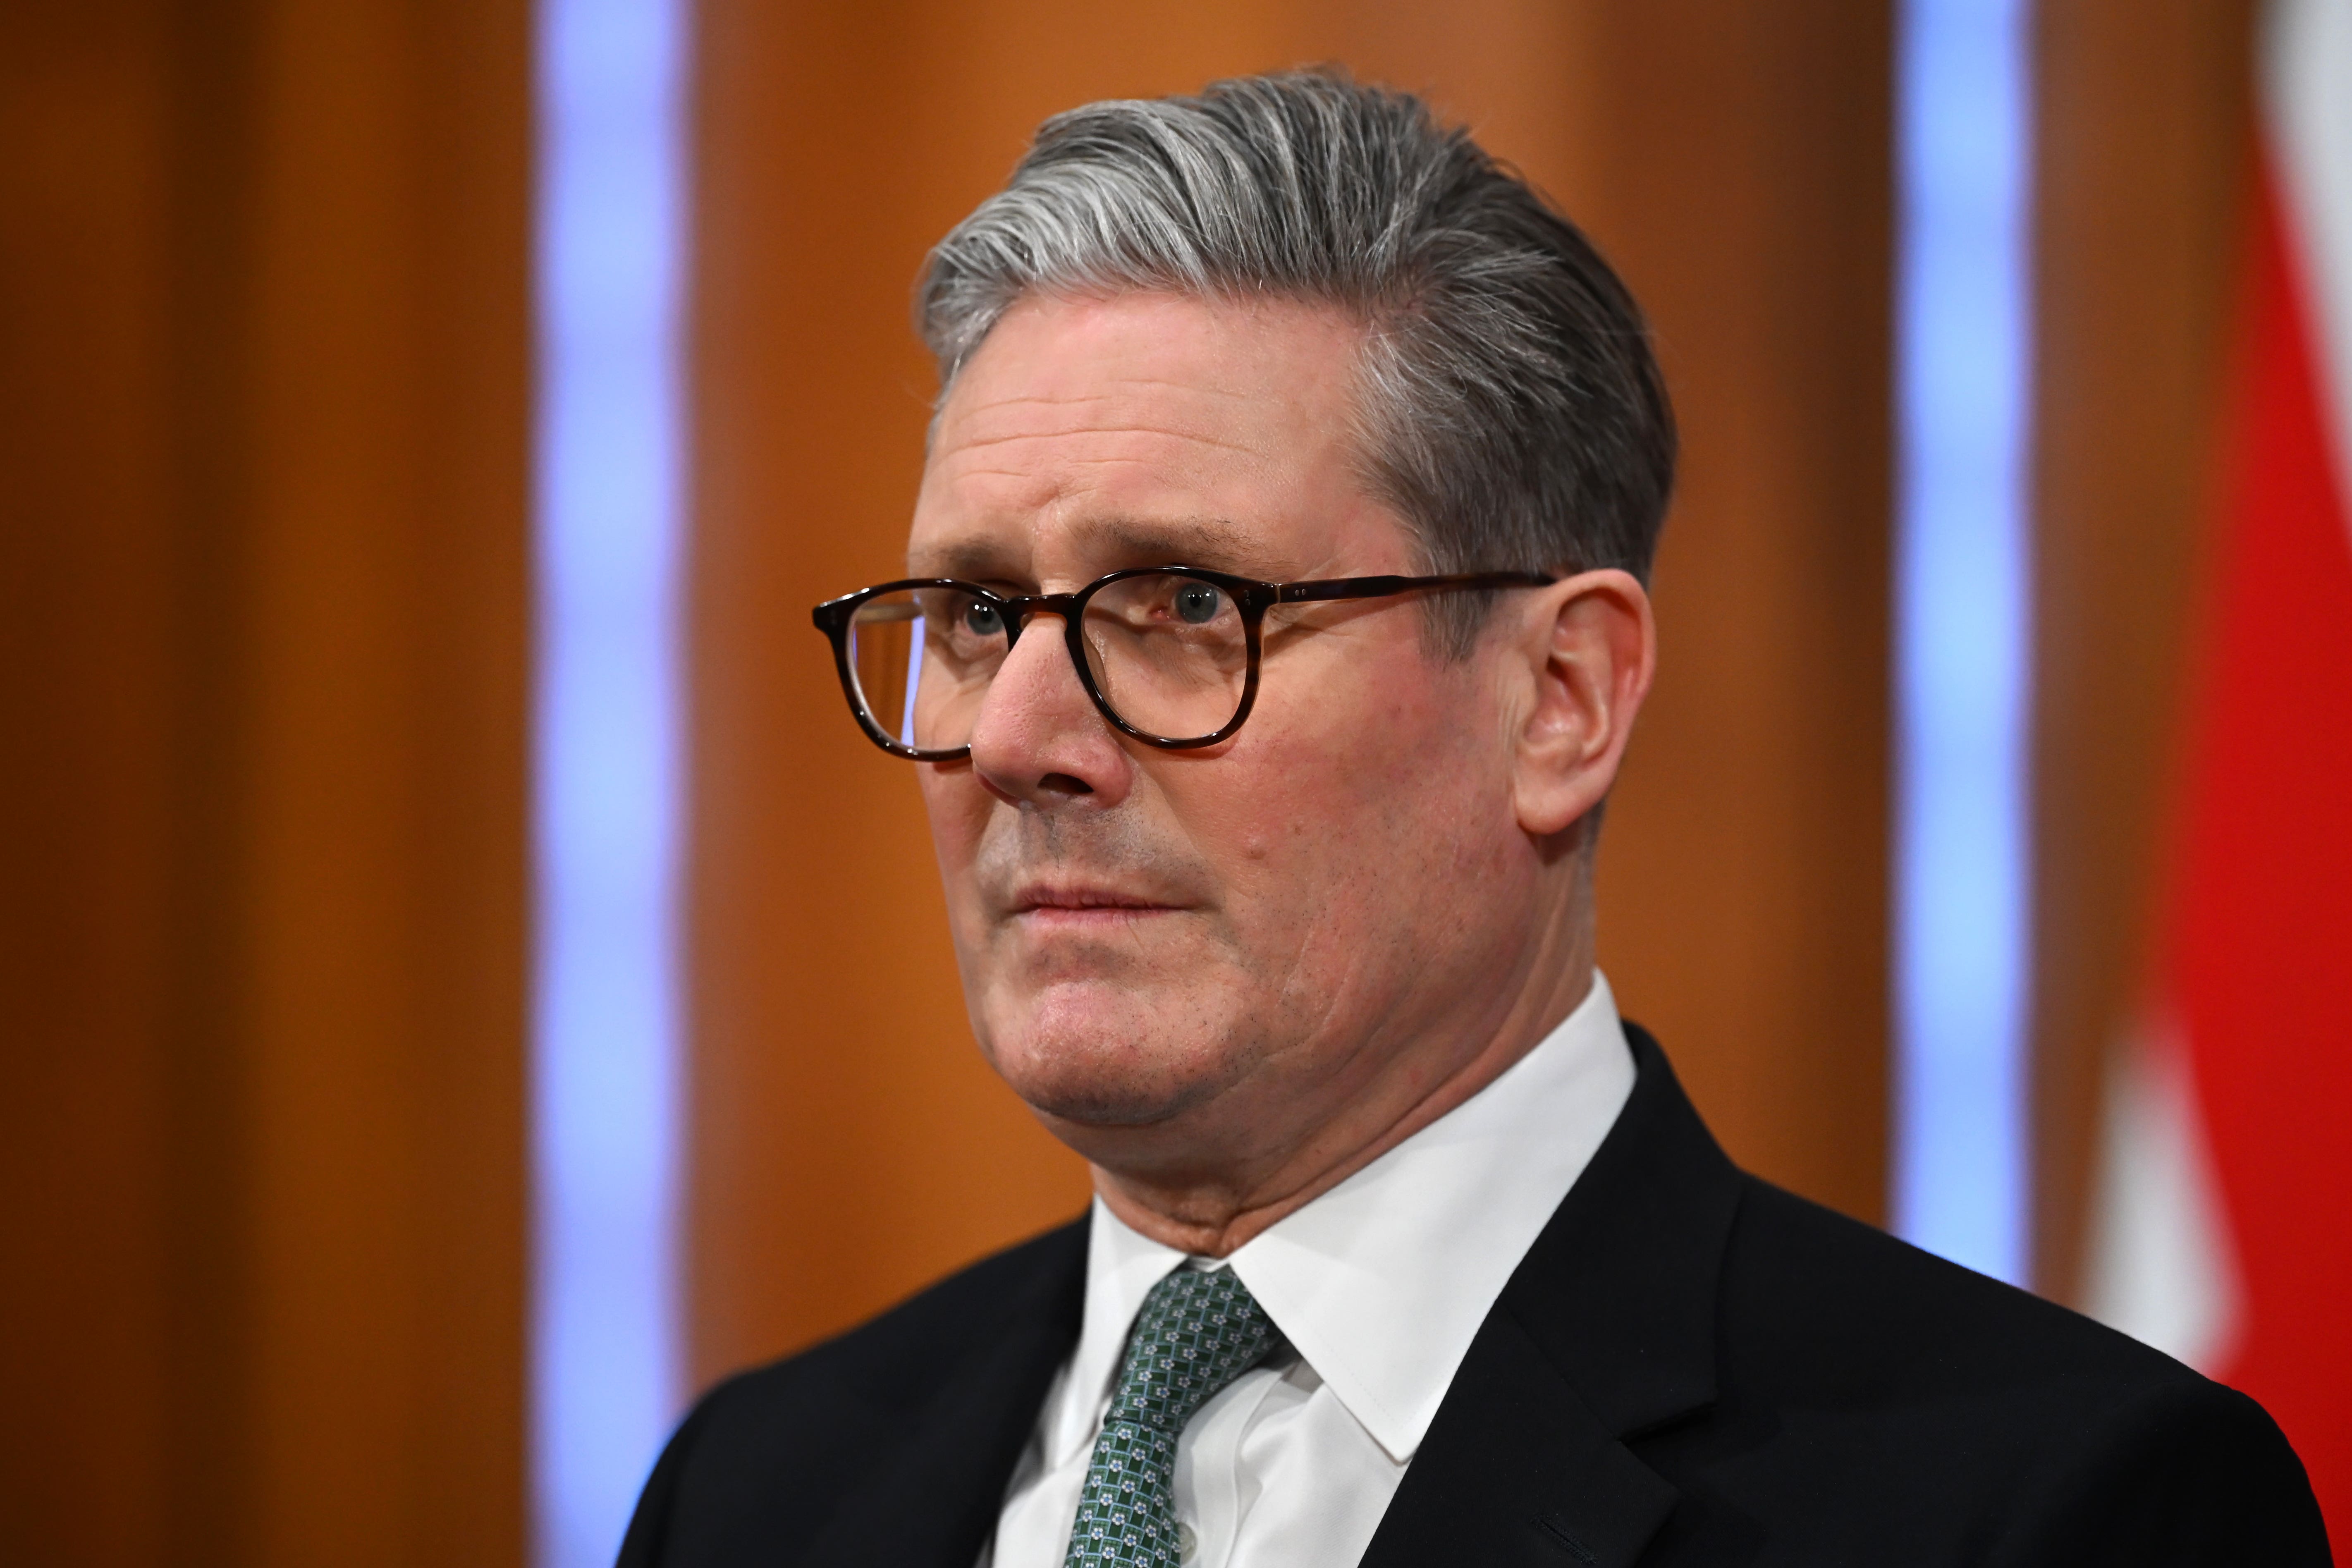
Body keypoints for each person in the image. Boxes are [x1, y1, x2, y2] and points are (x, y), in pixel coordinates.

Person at [617, 71, 2328, 1568]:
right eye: (981, 616)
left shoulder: (2055, 1508)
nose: (1016, 738)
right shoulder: (756, 1493)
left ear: (1560, 698)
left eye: (1189, 603)